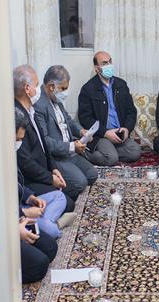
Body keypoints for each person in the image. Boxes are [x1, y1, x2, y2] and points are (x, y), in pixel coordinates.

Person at [13, 65, 75, 211]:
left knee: (71, 189)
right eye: (36, 84)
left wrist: (54, 169)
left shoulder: (31, 109)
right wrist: (49, 178)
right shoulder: (17, 116)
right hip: (30, 179)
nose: (39, 89)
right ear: (27, 88)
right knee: (68, 202)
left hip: (45, 169)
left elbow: (44, 146)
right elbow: (25, 162)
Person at [34, 65, 98, 199]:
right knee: (80, 183)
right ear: (51, 86)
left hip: (70, 152)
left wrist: (81, 131)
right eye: (63, 88)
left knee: (92, 175)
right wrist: (72, 146)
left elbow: (68, 120)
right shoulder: (39, 105)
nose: (65, 92)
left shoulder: (56, 99)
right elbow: (45, 141)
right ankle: (54, 190)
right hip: (56, 157)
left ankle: (70, 177)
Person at [14, 108, 70, 241]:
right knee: (51, 235)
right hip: (17, 212)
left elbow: (17, 185)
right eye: (18, 139)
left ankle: (45, 222)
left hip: (24, 202)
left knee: (60, 196)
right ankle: (53, 225)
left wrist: (31, 198)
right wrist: (25, 212)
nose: (19, 144)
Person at [77, 51, 141, 166]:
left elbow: (131, 111)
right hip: (101, 135)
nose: (109, 65)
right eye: (104, 63)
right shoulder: (88, 89)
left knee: (135, 152)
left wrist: (127, 128)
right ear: (97, 69)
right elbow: (85, 118)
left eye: (110, 61)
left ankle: (109, 152)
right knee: (111, 159)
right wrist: (105, 133)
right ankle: (84, 152)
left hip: (118, 133)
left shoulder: (121, 85)